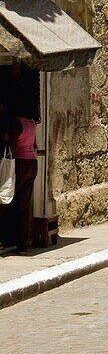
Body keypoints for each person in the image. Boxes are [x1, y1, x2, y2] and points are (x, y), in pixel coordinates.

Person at [4, 103, 38, 254]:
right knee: (24, 206)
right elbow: (34, 145)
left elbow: (13, 147)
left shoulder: (16, 123)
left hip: (20, 164)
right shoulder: (31, 123)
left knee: (5, 198)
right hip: (32, 163)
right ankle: (23, 246)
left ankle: (4, 239)